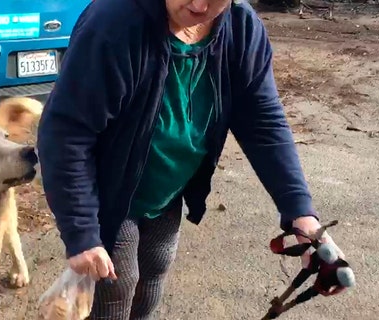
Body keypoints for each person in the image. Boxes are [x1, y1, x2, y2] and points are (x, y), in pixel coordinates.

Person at [36, 0, 347, 319]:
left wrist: (301, 214)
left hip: (168, 188)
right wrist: (81, 230)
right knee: (117, 285)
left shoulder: (240, 27)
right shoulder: (114, 23)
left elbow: (263, 121)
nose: (199, 4)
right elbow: (66, 132)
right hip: (108, 189)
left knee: (154, 269)